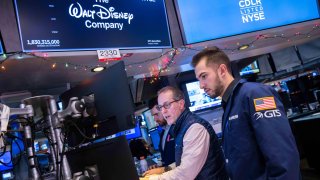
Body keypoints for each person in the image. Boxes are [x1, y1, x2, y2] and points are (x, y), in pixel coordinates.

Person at [192, 47, 300, 179]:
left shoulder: (255, 94)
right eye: (199, 79)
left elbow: (283, 155)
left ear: (222, 70)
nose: (201, 85)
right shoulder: (230, 102)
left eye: (204, 76)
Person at [144, 86, 228, 180]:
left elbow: (185, 174)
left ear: (181, 104)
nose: (163, 111)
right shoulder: (180, 127)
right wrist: (165, 169)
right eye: (160, 107)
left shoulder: (194, 128)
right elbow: (185, 162)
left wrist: (153, 178)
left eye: (167, 105)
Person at [148, 98, 175, 167]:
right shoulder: (164, 131)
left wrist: (163, 169)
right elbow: (167, 157)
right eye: (153, 116)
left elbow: (186, 160)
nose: (155, 119)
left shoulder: (177, 127)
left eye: (156, 114)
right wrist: (159, 165)